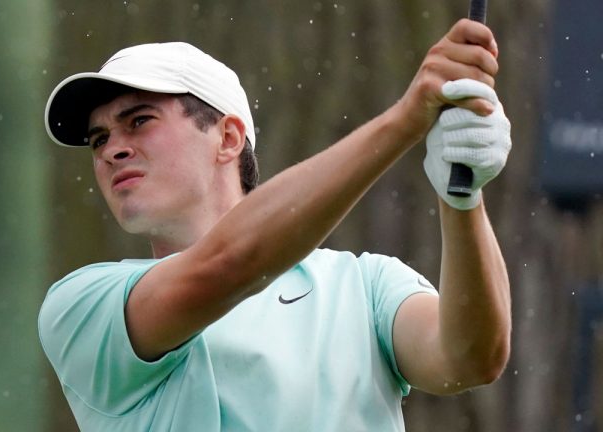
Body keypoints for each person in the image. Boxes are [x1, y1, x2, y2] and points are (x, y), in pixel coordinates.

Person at [39, 18, 512, 432]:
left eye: (139, 121)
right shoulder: (80, 305)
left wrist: (462, 194)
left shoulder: (366, 285)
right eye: (99, 138)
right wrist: (407, 120)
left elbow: (470, 359)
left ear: (227, 138)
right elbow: (231, 264)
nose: (110, 149)